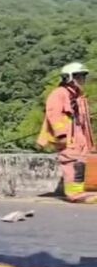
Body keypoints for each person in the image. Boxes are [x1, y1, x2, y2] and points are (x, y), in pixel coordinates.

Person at [38, 62, 96, 203]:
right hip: (69, 137)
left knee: (81, 163)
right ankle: (74, 194)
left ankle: (82, 191)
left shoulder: (77, 96)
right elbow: (54, 114)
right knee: (72, 163)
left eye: (83, 76)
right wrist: (61, 134)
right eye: (79, 76)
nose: (82, 79)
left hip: (79, 137)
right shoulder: (59, 94)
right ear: (69, 77)